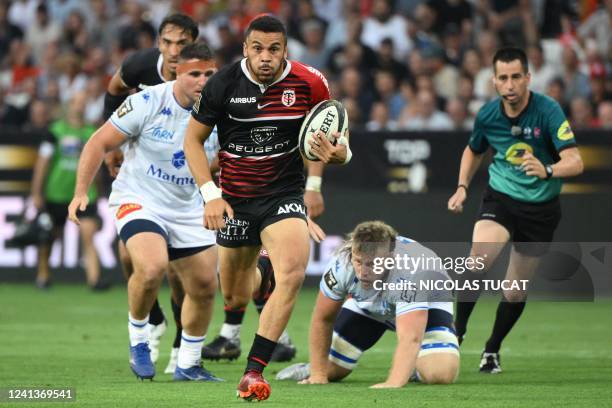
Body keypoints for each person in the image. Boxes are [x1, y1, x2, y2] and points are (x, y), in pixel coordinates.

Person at [183, 15, 350, 401]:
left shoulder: (311, 82)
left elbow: (332, 141)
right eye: (257, 48)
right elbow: (192, 141)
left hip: (283, 194)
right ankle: (261, 267)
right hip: (236, 200)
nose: (265, 57)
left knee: (293, 269)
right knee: (236, 296)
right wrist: (211, 194)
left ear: (285, 50)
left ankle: (253, 372)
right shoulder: (223, 84)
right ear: (245, 49)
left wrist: (336, 157)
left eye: (274, 49)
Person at [68, 43, 222, 382]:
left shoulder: (222, 107)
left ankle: (189, 364)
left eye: (209, 74)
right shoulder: (148, 101)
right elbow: (98, 142)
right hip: (140, 198)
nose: (202, 81)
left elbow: (225, 157)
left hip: (189, 205)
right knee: (152, 268)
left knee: (204, 284)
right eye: (194, 74)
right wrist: (81, 191)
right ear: (176, 73)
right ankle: (139, 338)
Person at [447, 47, 584, 373]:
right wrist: (462, 186)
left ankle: (492, 349)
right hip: (501, 198)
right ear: (494, 81)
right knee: (478, 260)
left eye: (516, 77)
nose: (510, 84)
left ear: (527, 78)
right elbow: (474, 150)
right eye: (503, 78)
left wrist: (548, 170)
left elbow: (575, 161)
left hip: (540, 209)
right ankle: (455, 333)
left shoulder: (548, 111)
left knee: (514, 290)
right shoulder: (488, 115)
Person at [102, 13, 199, 368]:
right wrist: (113, 147)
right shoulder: (139, 66)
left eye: (182, 44)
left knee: (178, 270)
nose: (174, 51)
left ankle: (178, 344)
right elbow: (113, 90)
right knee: (131, 255)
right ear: (158, 43)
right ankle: (153, 318)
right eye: (168, 42)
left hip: (184, 179)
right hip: (140, 170)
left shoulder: (202, 78)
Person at [275, 221, 459, 387]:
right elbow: (323, 318)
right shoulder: (341, 262)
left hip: (428, 305)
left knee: (440, 374)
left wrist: (393, 382)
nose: (363, 272)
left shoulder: (411, 268)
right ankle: (309, 367)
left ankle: (414, 368)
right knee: (331, 371)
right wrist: (318, 374)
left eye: (372, 264)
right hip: (371, 305)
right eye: (358, 261)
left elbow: (411, 336)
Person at [29, 95, 107, 290]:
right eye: (76, 102)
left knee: (88, 235)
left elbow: (97, 164)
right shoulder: (55, 131)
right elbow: (42, 163)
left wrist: (99, 188)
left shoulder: (92, 132)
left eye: (83, 102)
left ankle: (94, 280)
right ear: (69, 105)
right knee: (51, 236)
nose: (80, 105)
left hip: (85, 193)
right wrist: (37, 192)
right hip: (57, 192)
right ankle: (43, 274)